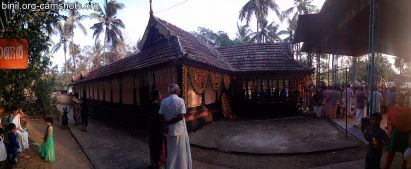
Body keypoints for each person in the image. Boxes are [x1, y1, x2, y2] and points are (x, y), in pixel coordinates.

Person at [159, 84, 192, 169]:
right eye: (179, 89)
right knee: (181, 152)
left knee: (171, 151)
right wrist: (169, 122)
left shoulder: (163, 101)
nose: (180, 91)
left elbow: (161, 116)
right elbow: (181, 116)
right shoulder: (180, 100)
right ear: (176, 91)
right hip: (179, 130)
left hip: (169, 130)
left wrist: (166, 124)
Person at [384, 94, 410, 169]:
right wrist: (390, 127)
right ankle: (387, 166)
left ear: (404, 99)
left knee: (405, 152)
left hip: (405, 134)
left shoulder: (408, 110)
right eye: (398, 98)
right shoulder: (393, 108)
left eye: (400, 98)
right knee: (391, 151)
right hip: (395, 133)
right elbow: (389, 119)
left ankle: (404, 166)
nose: (399, 100)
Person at [149, 90, 166, 169]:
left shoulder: (151, 105)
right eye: (160, 94)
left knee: (153, 146)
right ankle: (157, 164)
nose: (161, 95)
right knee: (158, 147)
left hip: (152, 130)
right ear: (157, 96)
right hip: (157, 131)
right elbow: (160, 120)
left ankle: (153, 163)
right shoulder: (158, 106)